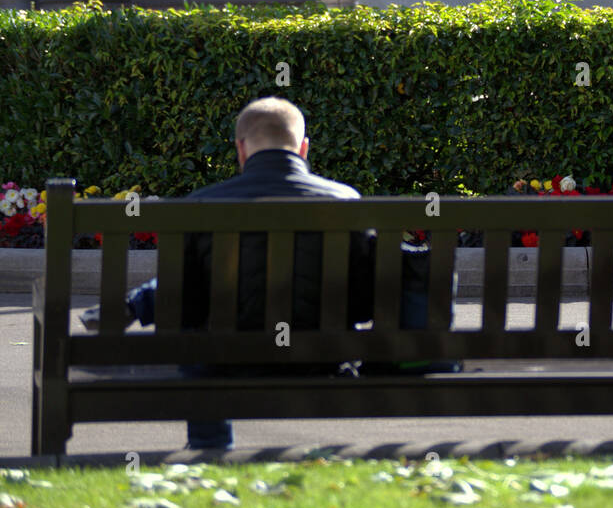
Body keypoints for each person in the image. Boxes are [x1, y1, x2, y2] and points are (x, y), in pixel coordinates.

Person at [81, 97, 446, 450]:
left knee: (190, 309)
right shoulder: (344, 201)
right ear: (303, 148)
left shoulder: (203, 205)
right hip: (323, 358)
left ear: (241, 149)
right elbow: (367, 301)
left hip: (221, 363)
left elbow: (181, 302)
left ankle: (210, 446)